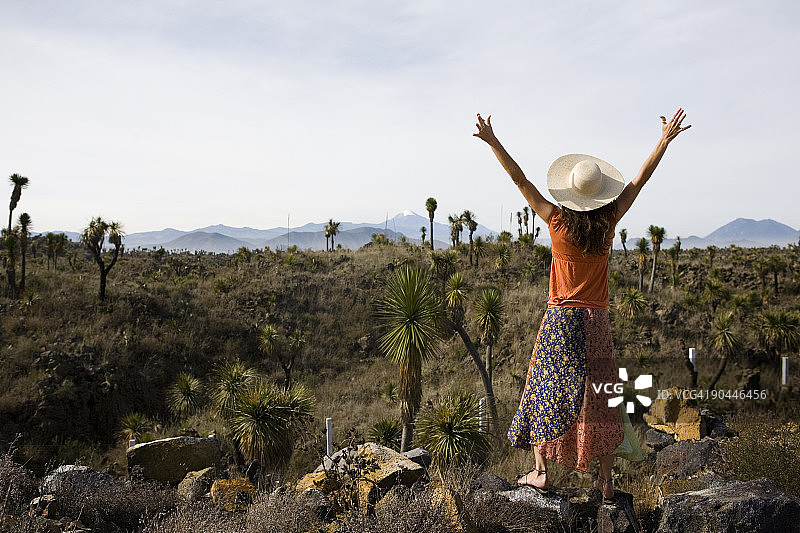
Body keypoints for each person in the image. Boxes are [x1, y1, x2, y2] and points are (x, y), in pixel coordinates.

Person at [473, 109, 690, 502]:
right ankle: (605, 482)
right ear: (601, 195)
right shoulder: (609, 223)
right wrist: (663, 141)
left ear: (569, 193)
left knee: (544, 390)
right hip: (597, 323)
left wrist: (493, 142)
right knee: (602, 397)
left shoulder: (555, 221)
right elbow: (640, 180)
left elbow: (519, 179)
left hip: (560, 320)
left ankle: (541, 471)